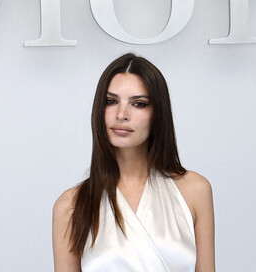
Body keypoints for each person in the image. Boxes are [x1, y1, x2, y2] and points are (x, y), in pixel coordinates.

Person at [52, 54, 215, 272]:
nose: (122, 114)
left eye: (138, 104)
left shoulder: (194, 191)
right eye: (111, 101)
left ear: (158, 114)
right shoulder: (70, 206)